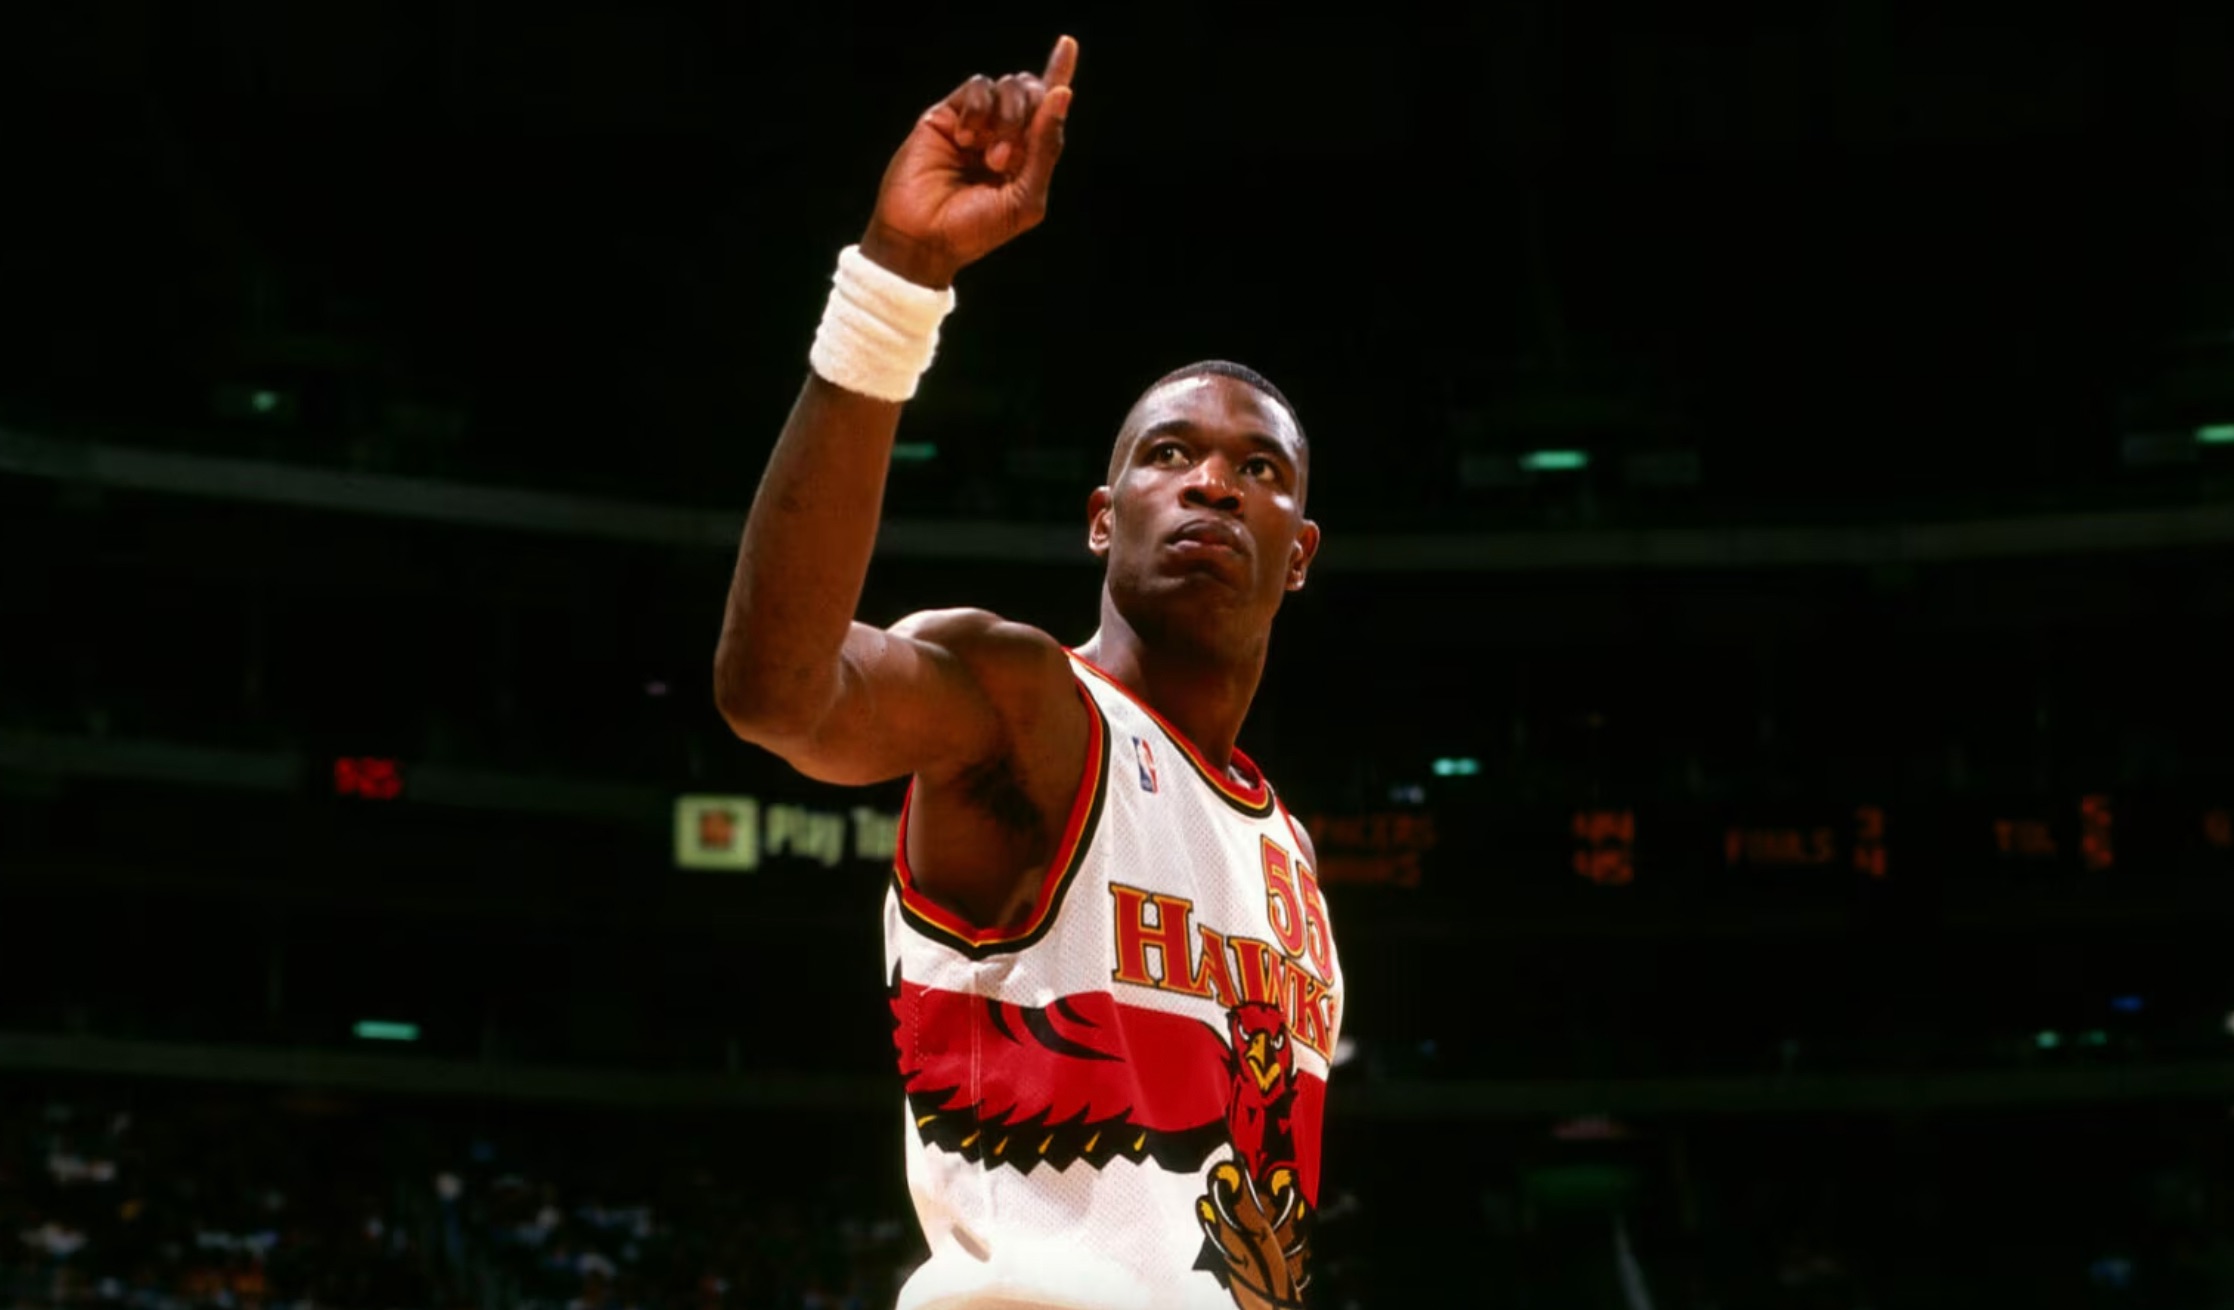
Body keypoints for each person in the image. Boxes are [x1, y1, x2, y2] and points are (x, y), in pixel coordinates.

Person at [714, 34, 1343, 1310]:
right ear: (1103, 517)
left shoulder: (1288, 854)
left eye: (1257, 469)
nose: (1213, 479)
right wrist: (899, 281)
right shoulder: (1020, 702)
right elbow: (778, 687)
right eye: (1169, 455)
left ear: (1298, 556)